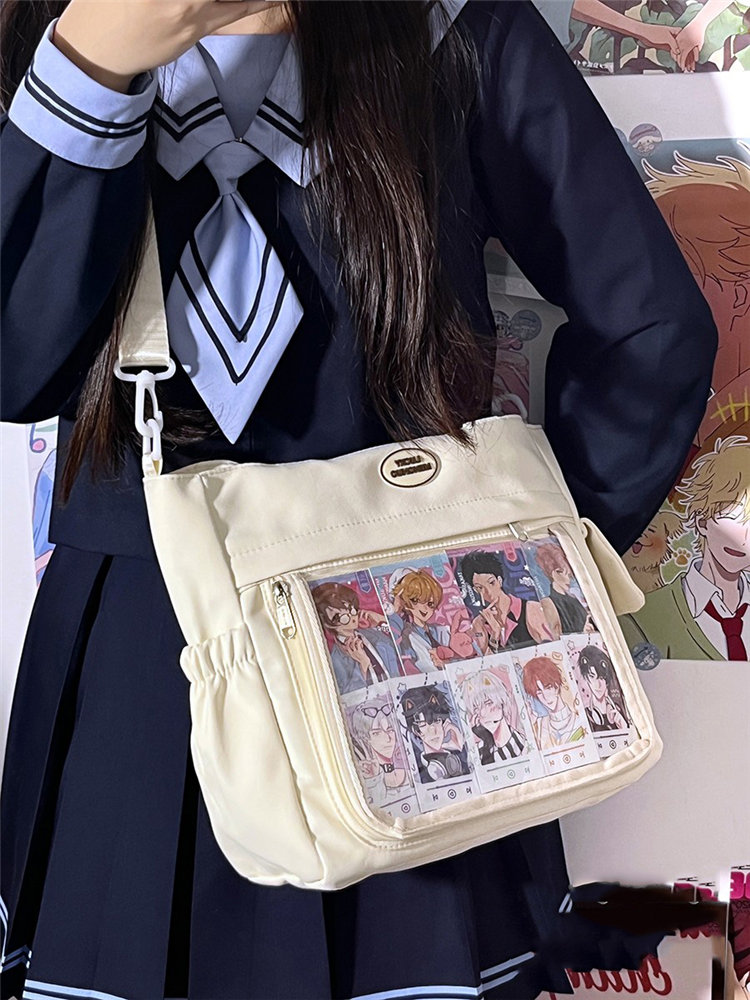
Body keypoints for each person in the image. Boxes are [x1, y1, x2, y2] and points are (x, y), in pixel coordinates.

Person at [0, 0, 718, 997]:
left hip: (396, 656)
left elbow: (653, 330)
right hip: (158, 666)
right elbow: (16, 371)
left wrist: (525, 579)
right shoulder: (56, 32)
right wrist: (91, 66)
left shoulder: (456, 27)